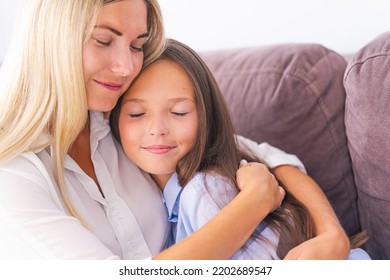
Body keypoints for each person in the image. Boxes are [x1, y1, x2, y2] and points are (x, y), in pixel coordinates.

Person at [0, 0, 346, 260]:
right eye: (104, 41)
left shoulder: (117, 120)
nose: (125, 67)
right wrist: (254, 203)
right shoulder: (15, 175)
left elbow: (264, 156)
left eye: (137, 45)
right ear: (50, 41)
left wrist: (332, 234)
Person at [110, 38, 371, 259]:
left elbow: (273, 159)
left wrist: (331, 233)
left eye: (179, 112)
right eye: (136, 113)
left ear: (206, 118)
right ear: (114, 117)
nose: (157, 129)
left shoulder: (205, 191)